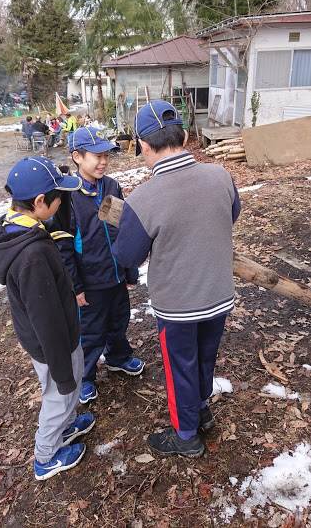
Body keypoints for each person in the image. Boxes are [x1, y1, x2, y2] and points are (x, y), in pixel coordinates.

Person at [112, 100, 241, 457]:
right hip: (218, 292)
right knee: (205, 357)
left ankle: (185, 436)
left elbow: (127, 256)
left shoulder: (144, 199)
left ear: (143, 145)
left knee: (179, 367)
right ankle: (201, 409)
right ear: (183, 136)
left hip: (178, 304)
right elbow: (231, 214)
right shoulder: (220, 176)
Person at [0, 157, 95, 480]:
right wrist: (61, 370)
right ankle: (45, 455)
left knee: (68, 390)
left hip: (58, 337)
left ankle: (66, 421)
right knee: (60, 393)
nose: (62, 201)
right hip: (53, 345)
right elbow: (46, 320)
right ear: (38, 202)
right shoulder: (31, 256)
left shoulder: (21, 227)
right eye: (58, 197)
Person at [54, 126, 145, 405]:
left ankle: (118, 357)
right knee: (91, 332)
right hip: (90, 281)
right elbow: (65, 247)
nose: (103, 161)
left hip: (115, 275)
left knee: (118, 320)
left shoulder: (110, 186)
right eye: (96, 156)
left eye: (106, 155)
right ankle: (86, 377)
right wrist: (76, 286)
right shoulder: (68, 196)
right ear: (77, 157)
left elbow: (118, 229)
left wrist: (128, 267)